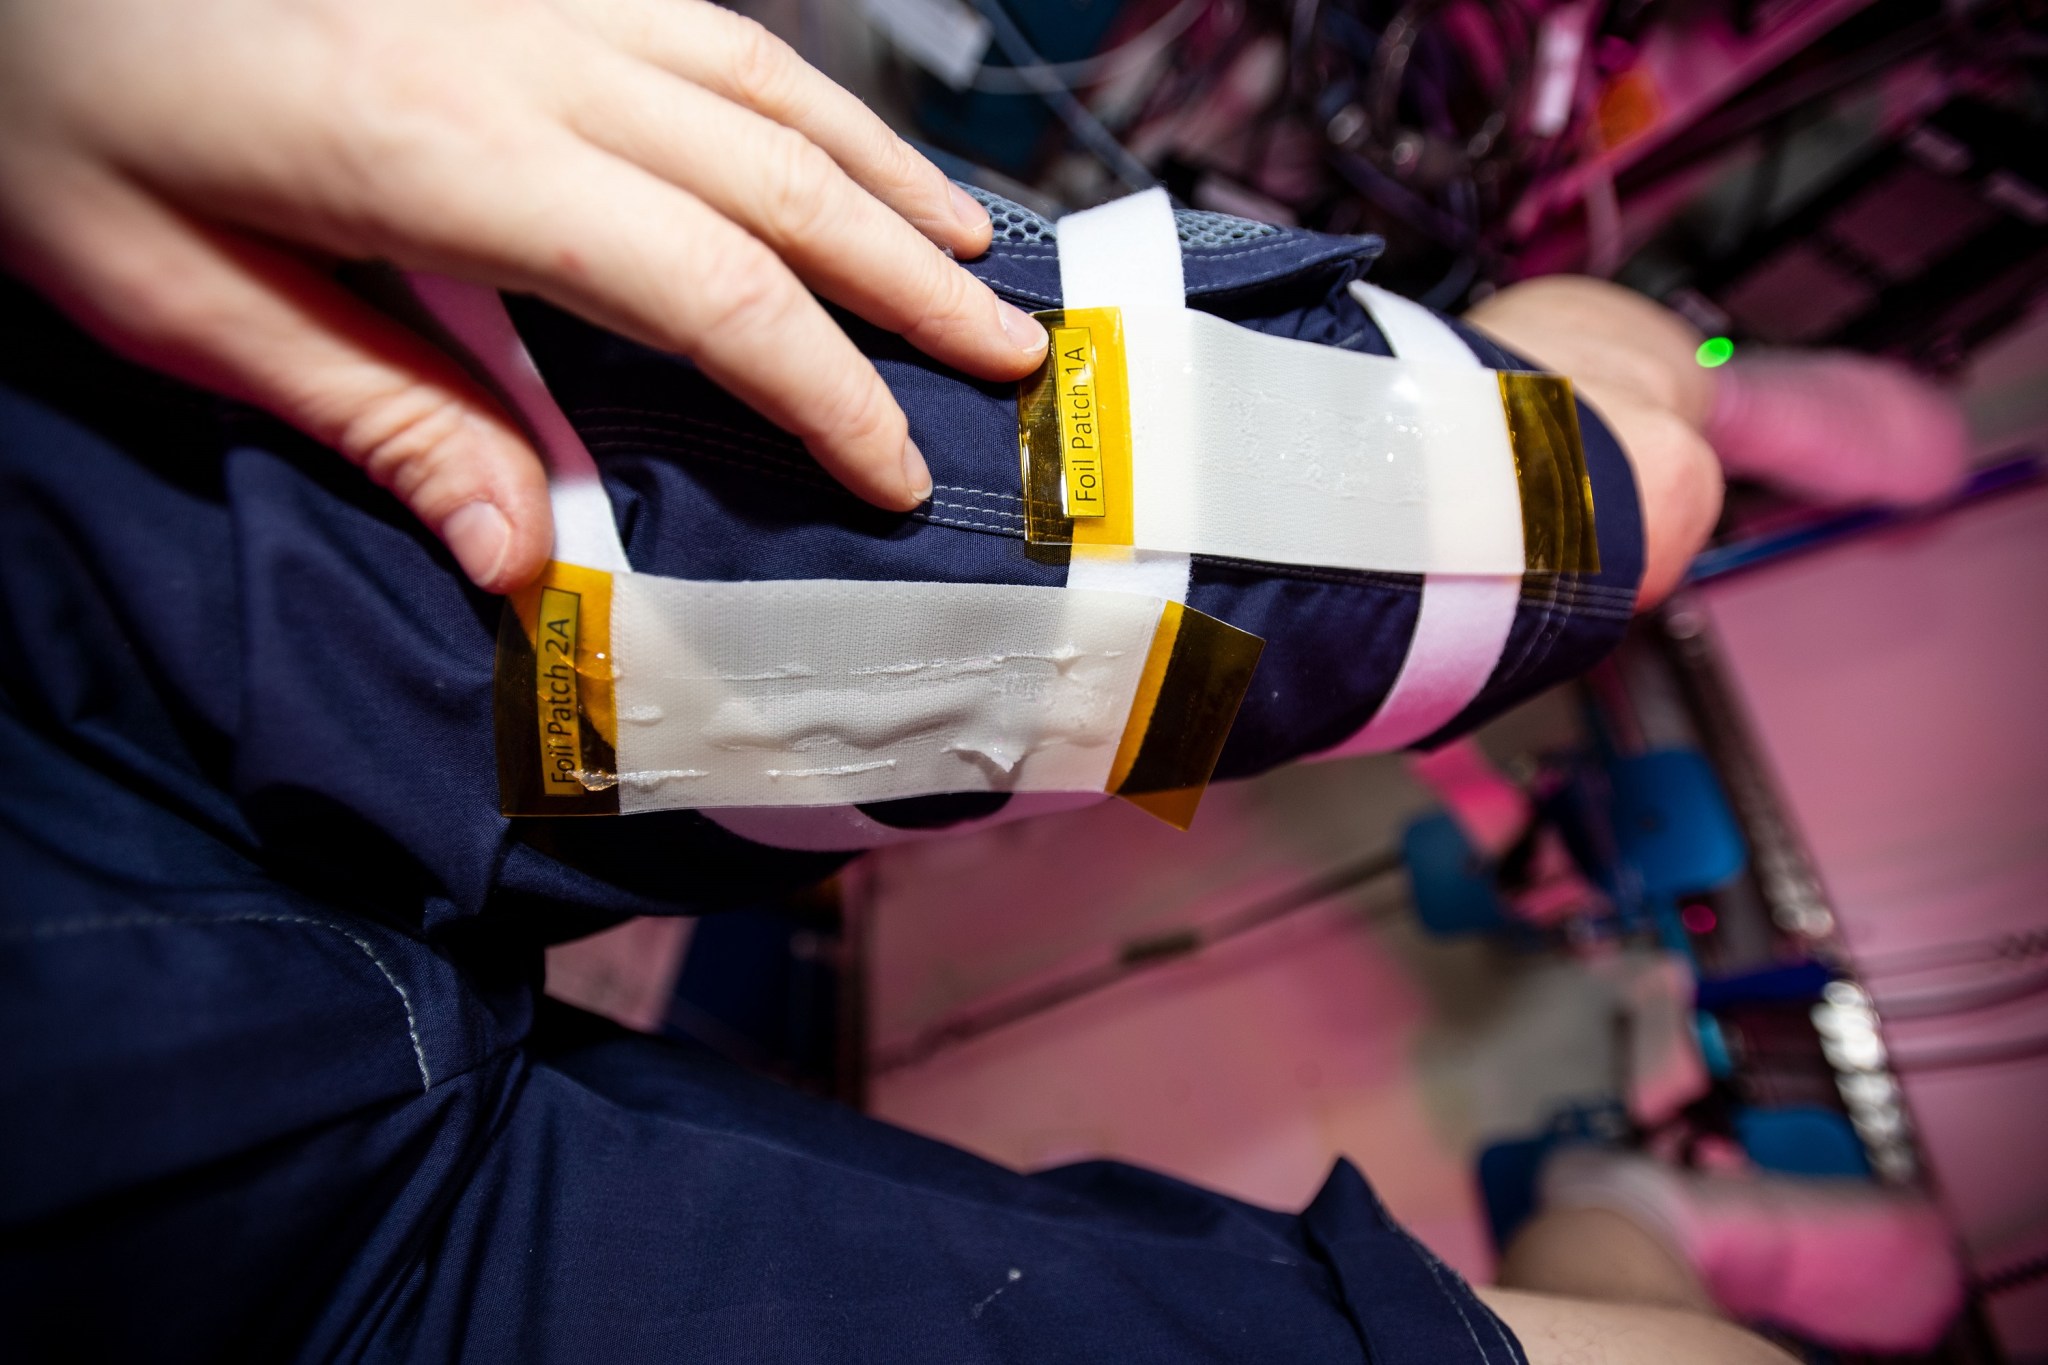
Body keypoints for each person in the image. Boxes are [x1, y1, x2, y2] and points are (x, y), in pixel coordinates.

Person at [0, 1, 1951, 1360]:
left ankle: (1685, 375)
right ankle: (1641, 1207)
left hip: (133, 567)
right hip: (193, 1276)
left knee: (1573, 497)